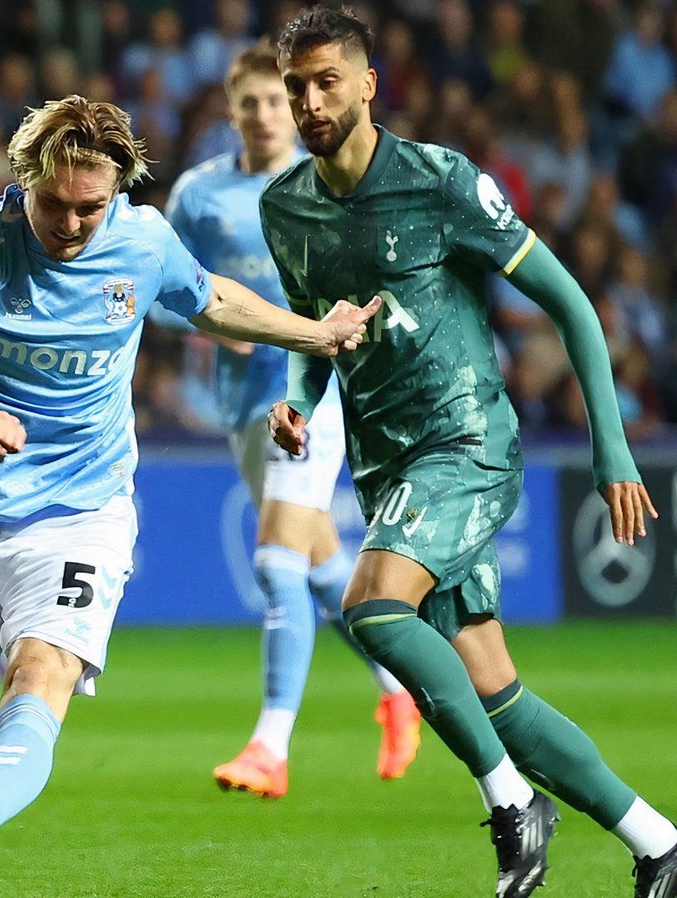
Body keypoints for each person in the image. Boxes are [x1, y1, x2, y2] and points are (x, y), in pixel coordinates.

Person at [0, 94, 380, 898]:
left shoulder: (141, 243)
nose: (74, 225)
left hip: (81, 516)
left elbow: (212, 298)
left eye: (92, 206)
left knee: (37, 675)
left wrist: (316, 332)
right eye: (56, 203)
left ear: (118, 190)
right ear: (23, 178)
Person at [261, 9, 677, 898]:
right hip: (387, 464)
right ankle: (659, 842)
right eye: (296, 87)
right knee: (491, 686)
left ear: (367, 82)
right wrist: (299, 402)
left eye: (326, 82)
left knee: (373, 610)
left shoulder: (441, 181)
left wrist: (610, 449)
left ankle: (511, 804)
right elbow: (319, 334)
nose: (310, 102)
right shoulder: (289, 209)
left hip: (463, 440)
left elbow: (573, 304)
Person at [166, 44, 421, 800]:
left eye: (277, 101)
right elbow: (155, 291)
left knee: (275, 559)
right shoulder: (200, 194)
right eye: (251, 102)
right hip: (241, 402)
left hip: (313, 393)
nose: (267, 113)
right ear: (232, 108)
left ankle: (270, 746)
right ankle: (401, 684)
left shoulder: (322, 182)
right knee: (318, 566)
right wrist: (212, 326)